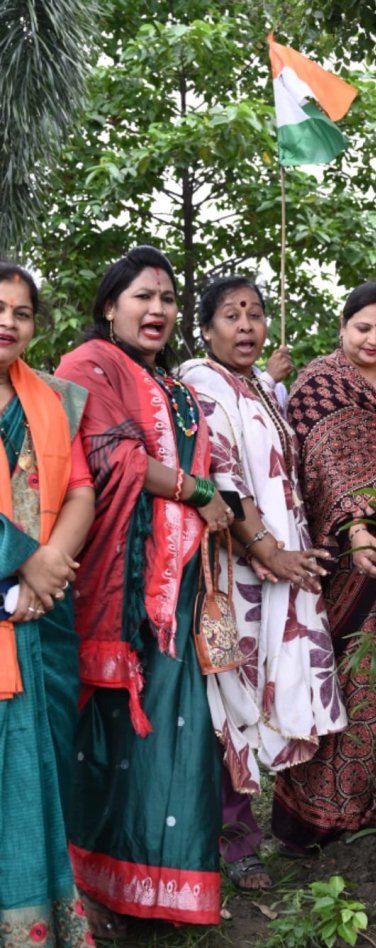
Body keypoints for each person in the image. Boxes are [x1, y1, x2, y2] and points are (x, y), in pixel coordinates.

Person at [56, 246, 233, 936]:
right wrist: (197, 489)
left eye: (166, 298)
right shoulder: (88, 366)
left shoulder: (179, 388)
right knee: (103, 737)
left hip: (177, 589)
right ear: (110, 305)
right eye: (141, 297)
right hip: (115, 588)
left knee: (174, 737)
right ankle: (88, 888)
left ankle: (157, 893)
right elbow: (112, 458)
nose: (157, 309)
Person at [180, 275, 346, 888]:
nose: (246, 324)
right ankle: (235, 844)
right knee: (230, 703)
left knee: (271, 695)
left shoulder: (257, 388)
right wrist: (266, 550)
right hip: (233, 569)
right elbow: (221, 477)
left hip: (281, 567)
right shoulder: (201, 382)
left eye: (254, 313)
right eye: (231, 314)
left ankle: (271, 832)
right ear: (207, 329)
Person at [272, 282, 376, 850]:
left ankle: (366, 809)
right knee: (325, 676)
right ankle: (305, 824)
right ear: (343, 328)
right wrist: (354, 526)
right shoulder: (317, 382)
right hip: (331, 559)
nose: (374, 339)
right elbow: (314, 464)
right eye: (363, 328)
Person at [0, 264, 94, 946]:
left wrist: (47, 572)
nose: (8, 321)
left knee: (41, 766)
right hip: (23, 581)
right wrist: (24, 558)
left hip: (44, 612)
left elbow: (82, 489)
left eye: (21, 312)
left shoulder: (57, 398)